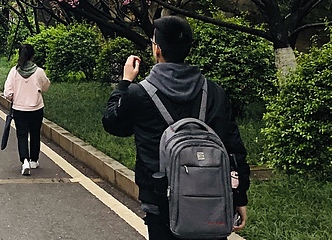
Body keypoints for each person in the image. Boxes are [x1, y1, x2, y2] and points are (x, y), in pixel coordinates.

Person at [102, 16, 250, 239]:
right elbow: (233, 146)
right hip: (211, 197)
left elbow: (113, 123)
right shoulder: (214, 92)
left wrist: (124, 82)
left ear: (158, 50)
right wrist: (238, 196)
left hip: (160, 199)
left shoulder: (139, 94)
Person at [3, 43, 50, 176]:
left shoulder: (14, 71)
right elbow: (46, 86)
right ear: (32, 56)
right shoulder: (39, 71)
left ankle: (25, 161)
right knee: (35, 133)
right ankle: (34, 160)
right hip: (36, 108)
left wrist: (13, 97)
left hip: (19, 109)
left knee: (22, 135)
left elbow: (8, 92)